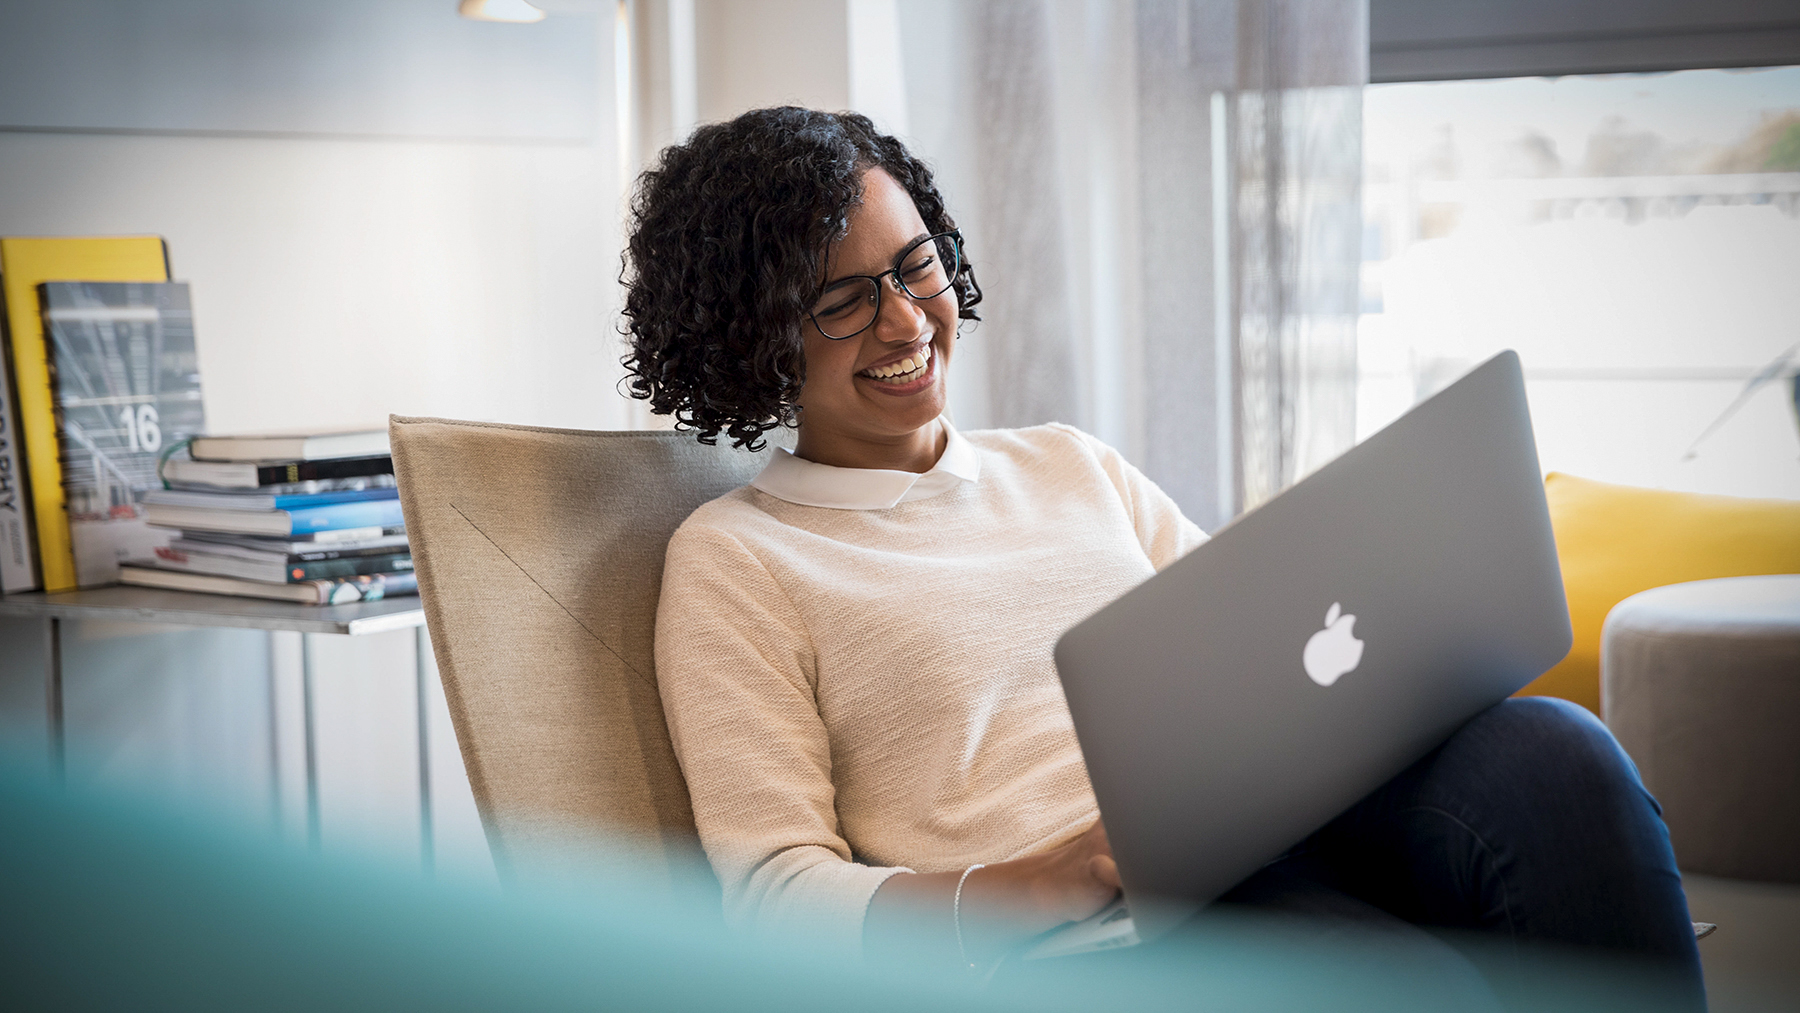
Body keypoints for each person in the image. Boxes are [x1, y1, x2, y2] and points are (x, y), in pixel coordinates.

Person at [622, 106, 1704, 1002]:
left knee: (1552, 751)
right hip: (1102, 935)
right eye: (843, 302)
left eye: (915, 269)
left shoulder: (1066, 463)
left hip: (1274, 829)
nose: (906, 322)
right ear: (748, 337)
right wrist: (1032, 882)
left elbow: (1262, 644)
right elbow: (773, 891)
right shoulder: (739, 560)